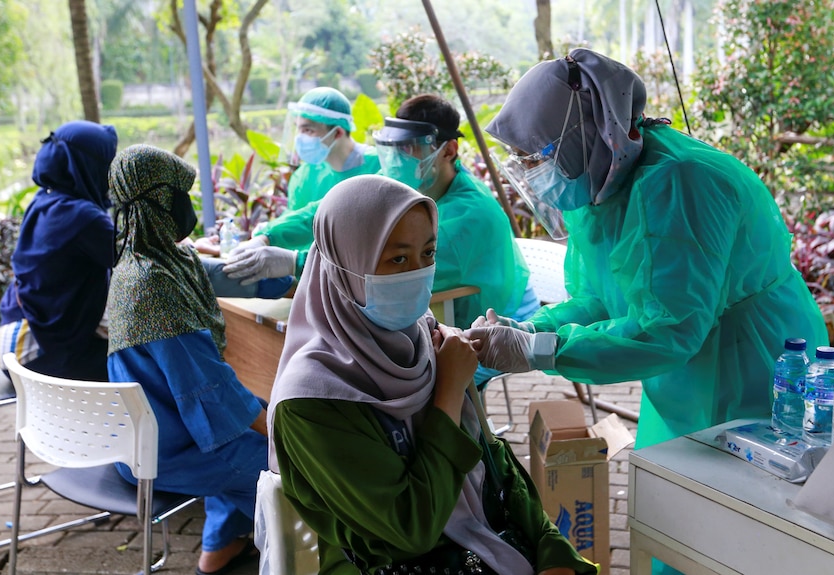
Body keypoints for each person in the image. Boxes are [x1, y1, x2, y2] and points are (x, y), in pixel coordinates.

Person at [466, 49, 828, 450]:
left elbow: (668, 328)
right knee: (675, 489)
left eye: (535, 157)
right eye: (519, 159)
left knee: (737, 500)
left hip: (749, 364)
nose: (531, 173)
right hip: (685, 369)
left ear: (585, 136)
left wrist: (540, 351)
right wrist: (535, 329)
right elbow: (601, 300)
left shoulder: (680, 185)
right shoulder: (600, 186)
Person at [269, 174, 598, 575]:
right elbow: (411, 530)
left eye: (428, 254)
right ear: (345, 267)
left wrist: (552, 550)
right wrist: (448, 394)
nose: (418, 273)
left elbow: (498, 473)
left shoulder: (427, 343)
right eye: (397, 259)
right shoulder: (312, 401)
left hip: (487, 545)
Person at [106, 144, 266, 575]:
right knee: (297, 464)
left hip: (159, 432)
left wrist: (296, 271)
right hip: (169, 450)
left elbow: (232, 275)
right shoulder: (153, 287)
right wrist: (283, 428)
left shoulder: (150, 258)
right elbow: (210, 395)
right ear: (162, 200)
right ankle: (311, 557)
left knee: (244, 433)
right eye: (181, 195)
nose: (188, 206)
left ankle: (218, 550)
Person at [374, 94, 536, 332]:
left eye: (410, 147)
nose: (399, 159)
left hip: (497, 330)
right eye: (396, 148)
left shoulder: (469, 215)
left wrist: (304, 265)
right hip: (456, 318)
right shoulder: (430, 184)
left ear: (448, 151)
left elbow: (398, 273)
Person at [0, 120, 117, 381]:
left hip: (15, 343)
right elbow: (138, 256)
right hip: (35, 353)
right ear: (90, 167)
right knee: (140, 368)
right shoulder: (83, 216)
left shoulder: (45, 200)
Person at [222, 86, 381, 285]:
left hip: (361, 280)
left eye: (308, 130)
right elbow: (300, 225)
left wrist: (270, 236)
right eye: (298, 129)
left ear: (338, 132)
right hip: (312, 279)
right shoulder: (304, 176)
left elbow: (324, 216)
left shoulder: (379, 168)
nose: (300, 137)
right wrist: (265, 236)